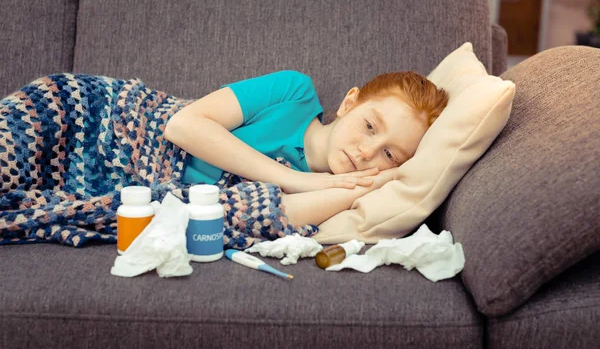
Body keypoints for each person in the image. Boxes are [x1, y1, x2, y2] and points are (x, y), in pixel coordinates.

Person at [165, 70, 448, 228]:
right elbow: (182, 125)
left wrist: (377, 182)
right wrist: (295, 179)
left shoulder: (331, 198)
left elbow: (268, 215)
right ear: (349, 103)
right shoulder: (294, 91)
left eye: (389, 155)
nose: (366, 152)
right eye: (370, 126)